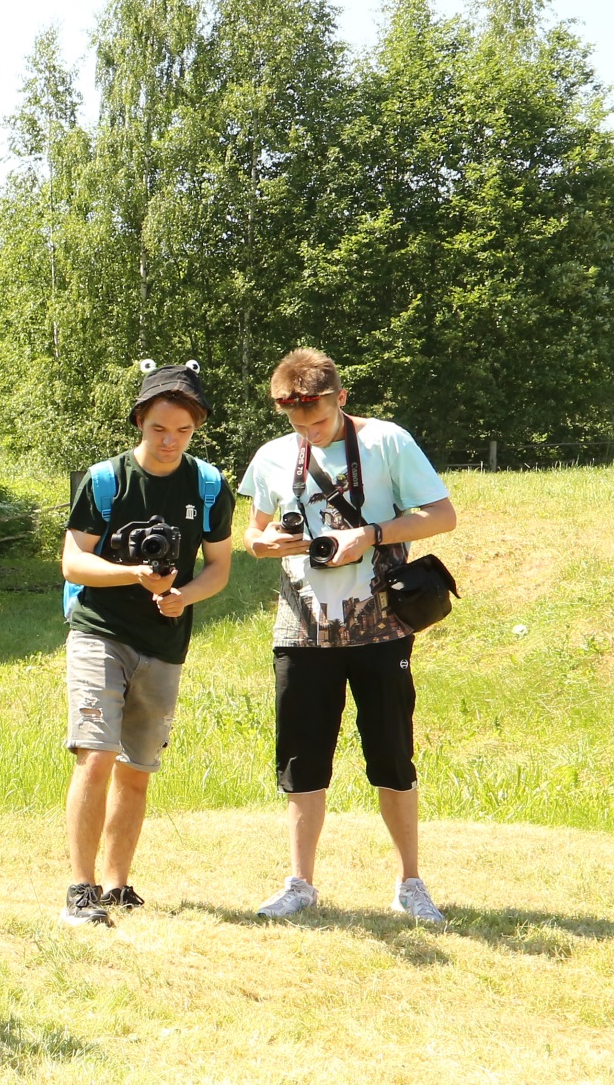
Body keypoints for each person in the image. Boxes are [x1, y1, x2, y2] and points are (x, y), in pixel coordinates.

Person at [240, 348, 459, 922]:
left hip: (380, 625)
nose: (309, 433)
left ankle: (410, 883)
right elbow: (253, 534)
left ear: (341, 397)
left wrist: (370, 534)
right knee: (301, 758)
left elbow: (442, 514)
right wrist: (265, 543)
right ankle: (299, 884)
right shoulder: (272, 456)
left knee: (392, 753)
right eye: (298, 425)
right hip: (302, 628)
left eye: (318, 421)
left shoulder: (387, 441)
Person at [56, 360, 236, 925]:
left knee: (137, 767)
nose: (169, 441)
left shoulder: (209, 486)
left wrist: (184, 596)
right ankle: (80, 890)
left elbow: (219, 568)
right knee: (95, 754)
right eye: (159, 428)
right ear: (139, 421)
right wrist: (134, 574)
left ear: (196, 429)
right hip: (100, 630)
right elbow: (73, 562)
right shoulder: (105, 480)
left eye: (183, 430)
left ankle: (117, 886)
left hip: (165, 639)